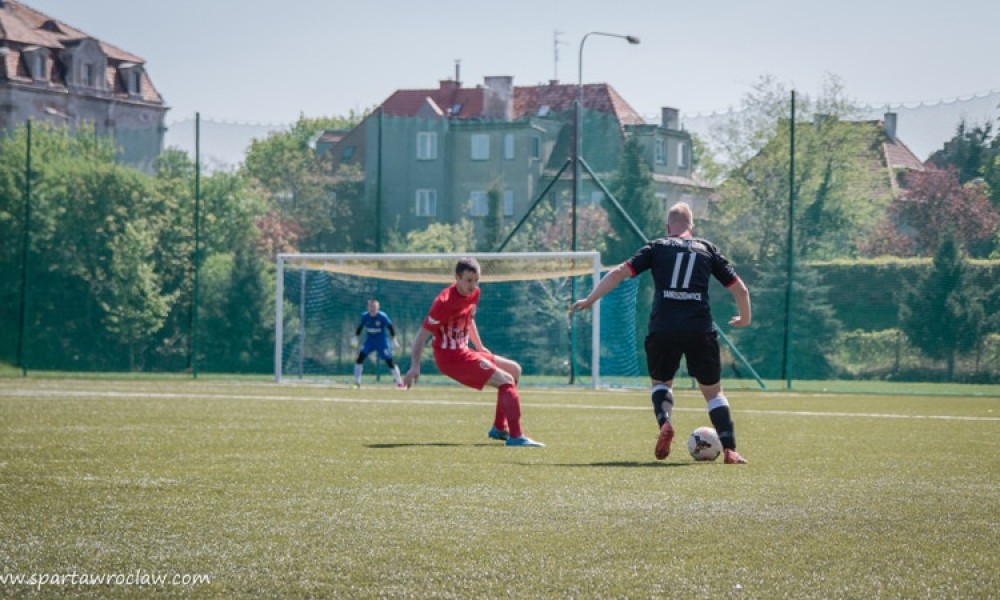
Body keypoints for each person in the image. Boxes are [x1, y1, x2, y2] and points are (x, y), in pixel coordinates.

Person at [570, 202, 751, 464]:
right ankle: (730, 450)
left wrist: (590, 299)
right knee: (713, 393)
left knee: (661, 384)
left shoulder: (657, 247)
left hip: (663, 327)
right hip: (700, 327)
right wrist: (744, 318)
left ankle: (665, 422)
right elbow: (740, 290)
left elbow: (620, 271)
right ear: (693, 227)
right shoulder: (707, 249)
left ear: (668, 228)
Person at [402, 257, 544, 447]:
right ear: (457, 278)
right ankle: (516, 437)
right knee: (506, 381)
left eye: (476, 280)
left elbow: (469, 319)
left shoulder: (474, 293)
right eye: (468, 280)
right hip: (450, 358)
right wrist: (415, 366)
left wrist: (479, 346)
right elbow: (421, 336)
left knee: (514, 370)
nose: (473, 285)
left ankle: (499, 428)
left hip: (464, 351)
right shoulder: (444, 302)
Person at [353, 299, 404, 388]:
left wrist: (394, 340)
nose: (372, 308)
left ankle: (399, 382)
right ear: (368, 307)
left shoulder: (382, 316)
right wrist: (356, 338)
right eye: (370, 306)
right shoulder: (365, 316)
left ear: (378, 307)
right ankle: (357, 383)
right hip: (370, 341)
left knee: (389, 362)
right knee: (359, 359)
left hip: (382, 342)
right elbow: (360, 327)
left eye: (374, 306)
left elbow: (390, 327)